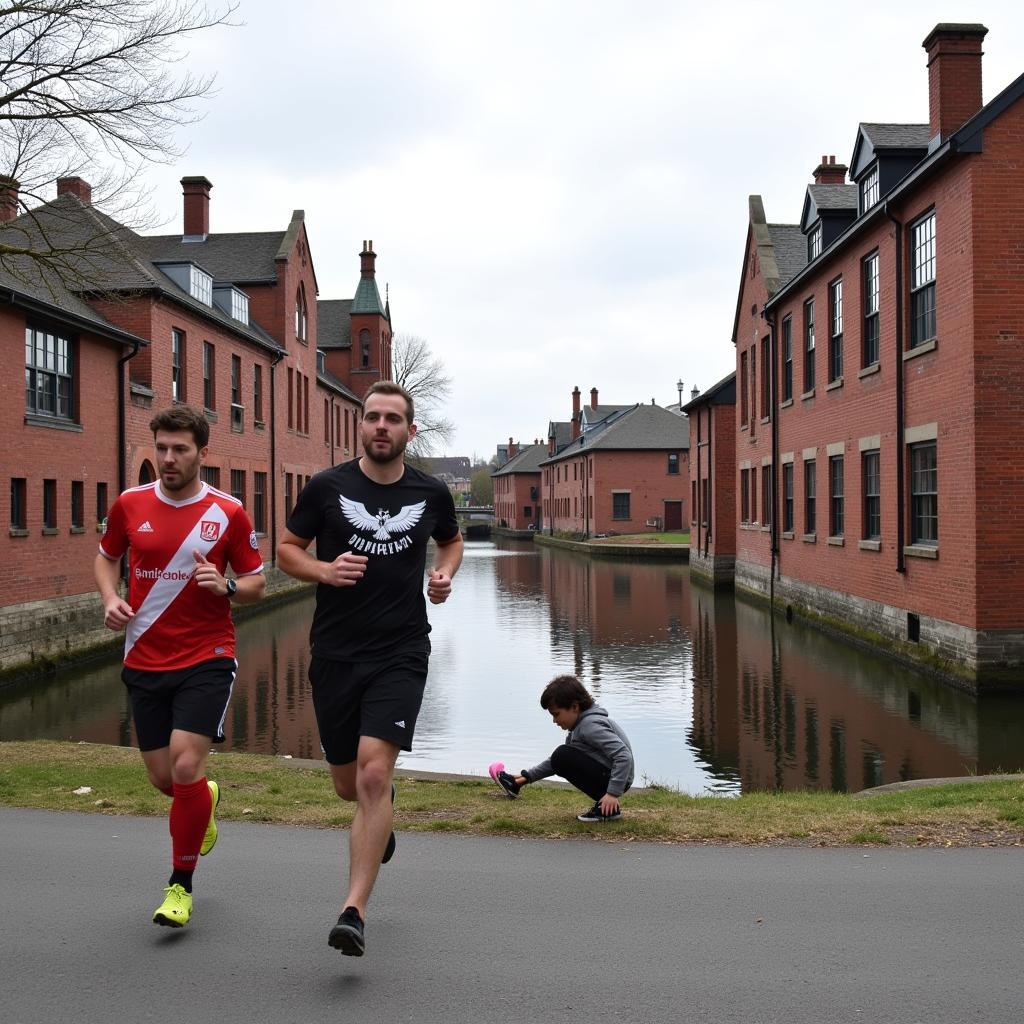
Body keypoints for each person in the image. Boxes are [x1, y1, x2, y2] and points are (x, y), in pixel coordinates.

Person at [276, 380, 463, 957]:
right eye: (373, 418)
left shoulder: (430, 492)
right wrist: (323, 571)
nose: (381, 426)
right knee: (347, 785)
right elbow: (285, 548)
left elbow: (451, 543)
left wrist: (444, 575)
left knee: (374, 776)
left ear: (410, 430)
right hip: (335, 652)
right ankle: (377, 825)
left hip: (401, 650)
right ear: (362, 426)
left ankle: (352, 910)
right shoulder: (328, 487)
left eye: (393, 419)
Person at [94, 405, 265, 928]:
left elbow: (257, 581)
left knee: (187, 765)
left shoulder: (229, 512)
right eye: (162, 448)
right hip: (144, 655)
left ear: (201, 453)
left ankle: (179, 887)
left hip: (207, 654)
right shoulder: (129, 504)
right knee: (167, 780)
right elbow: (106, 557)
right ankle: (204, 799)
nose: (168, 459)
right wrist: (108, 597)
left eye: (180, 450)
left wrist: (229, 586)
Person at [490, 675, 634, 822]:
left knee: (562, 754)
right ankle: (515, 784)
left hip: (617, 779)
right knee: (562, 756)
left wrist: (612, 793)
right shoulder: (580, 726)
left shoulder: (590, 726)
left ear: (574, 707)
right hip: (612, 776)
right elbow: (557, 763)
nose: (554, 721)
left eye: (556, 714)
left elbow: (623, 756)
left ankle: (608, 808)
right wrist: (525, 777)